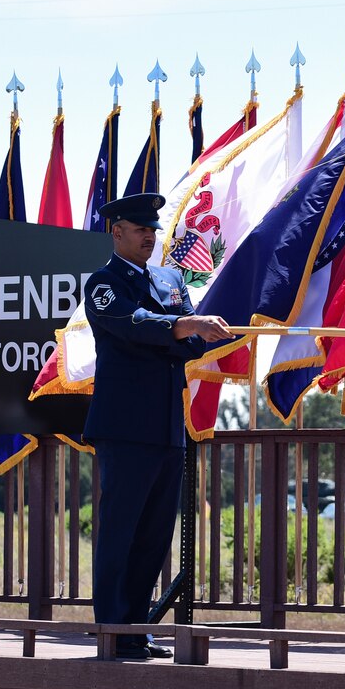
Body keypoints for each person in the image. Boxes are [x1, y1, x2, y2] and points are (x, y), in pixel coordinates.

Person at [83, 193, 234, 660]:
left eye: (153, 228)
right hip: (125, 427)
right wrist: (180, 327)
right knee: (120, 533)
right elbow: (133, 324)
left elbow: (186, 348)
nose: (150, 235)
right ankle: (112, 628)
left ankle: (136, 629)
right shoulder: (103, 283)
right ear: (117, 232)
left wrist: (180, 332)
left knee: (153, 537)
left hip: (168, 425)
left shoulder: (169, 279)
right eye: (139, 228)